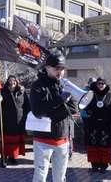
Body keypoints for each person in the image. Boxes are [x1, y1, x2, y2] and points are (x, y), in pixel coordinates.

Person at [30, 50, 78, 182]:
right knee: (40, 177)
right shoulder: (37, 86)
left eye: (62, 68)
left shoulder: (65, 85)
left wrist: (51, 113)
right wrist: (59, 101)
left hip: (62, 139)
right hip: (42, 141)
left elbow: (74, 108)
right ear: (47, 68)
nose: (60, 71)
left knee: (60, 177)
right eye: (57, 68)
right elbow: (37, 111)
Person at [0, 75, 30, 166]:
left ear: (17, 81)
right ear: (7, 81)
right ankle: (4, 157)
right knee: (6, 140)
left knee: (16, 141)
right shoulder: (2, 91)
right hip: (6, 120)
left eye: (14, 80)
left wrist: (25, 117)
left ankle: (13, 157)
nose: (12, 82)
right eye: (10, 80)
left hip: (18, 120)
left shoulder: (21, 91)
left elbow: (27, 106)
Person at [83, 78, 111, 173]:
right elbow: (86, 106)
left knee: (104, 144)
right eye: (99, 83)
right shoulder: (92, 94)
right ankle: (94, 165)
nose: (101, 85)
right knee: (93, 144)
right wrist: (88, 111)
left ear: (105, 84)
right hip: (93, 124)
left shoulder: (110, 95)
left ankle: (103, 165)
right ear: (96, 84)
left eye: (102, 83)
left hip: (105, 125)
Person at [80, 77, 96, 151]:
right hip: (85, 115)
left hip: (94, 115)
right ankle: (87, 147)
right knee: (87, 131)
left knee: (93, 131)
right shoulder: (84, 91)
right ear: (89, 83)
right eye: (92, 83)